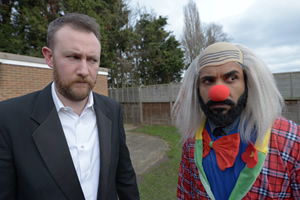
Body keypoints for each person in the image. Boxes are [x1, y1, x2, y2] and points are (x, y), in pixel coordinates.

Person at [0, 13, 139, 200]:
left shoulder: (112, 110)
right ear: (49, 58)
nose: (84, 71)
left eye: (92, 60)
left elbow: (125, 177)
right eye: (73, 57)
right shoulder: (9, 118)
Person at [173, 42, 300, 199]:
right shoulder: (191, 142)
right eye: (208, 80)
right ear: (197, 89)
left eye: (232, 78)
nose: (218, 92)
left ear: (248, 84)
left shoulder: (292, 141)